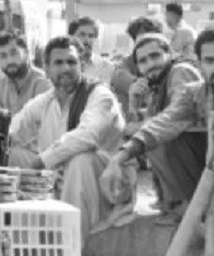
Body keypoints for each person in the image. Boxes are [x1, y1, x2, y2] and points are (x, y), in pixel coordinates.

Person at [102, 27, 214, 221]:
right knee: (169, 134)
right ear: (200, 64)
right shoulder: (195, 92)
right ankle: (196, 214)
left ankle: (207, 207)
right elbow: (164, 123)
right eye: (209, 61)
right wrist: (119, 157)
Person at [8, 35, 127, 244]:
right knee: (11, 155)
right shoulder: (47, 100)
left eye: (71, 62)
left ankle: (70, 248)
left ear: (81, 65)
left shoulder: (99, 95)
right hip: (60, 179)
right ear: (46, 69)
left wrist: (42, 160)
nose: (66, 68)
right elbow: (14, 130)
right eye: (58, 63)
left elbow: (87, 136)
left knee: (80, 160)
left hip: (107, 185)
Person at [124, 33, 203, 217]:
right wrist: (133, 101)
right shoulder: (157, 86)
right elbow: (135, 127)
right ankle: (171, 202)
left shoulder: (180, 72)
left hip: (201, 157)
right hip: (186, 162)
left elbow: (178, 115)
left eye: (155, 56)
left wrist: (139, 126)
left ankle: (183, 205)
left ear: (170, 53)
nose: (150, 64)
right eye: (143, 61)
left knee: (151, 133)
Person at [111, 15, 165, 117]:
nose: (147, 43)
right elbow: (122, 78)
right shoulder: (123, 68)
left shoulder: (169, 63)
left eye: (151, 37)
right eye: (142, 39)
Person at [0, 29, 52, 115]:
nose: (9, 61)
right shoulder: (3, 83)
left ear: (26, 53)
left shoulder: (42, 83)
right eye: (3, 56)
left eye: (14, 53)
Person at [68, 16, 114, 86]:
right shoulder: (63, 64)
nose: (87, 40)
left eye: (91, 36)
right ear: (71, 37)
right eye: (82, 35)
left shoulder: (105, 66)